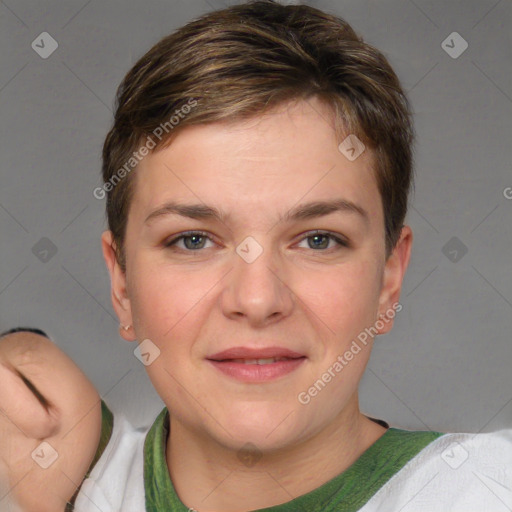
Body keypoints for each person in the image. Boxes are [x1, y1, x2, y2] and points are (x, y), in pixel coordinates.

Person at [1, 1, 510, 511]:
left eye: (318, 240)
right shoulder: (57, 484)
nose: (258, 298)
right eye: (193, 240)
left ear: (388, 279)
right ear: (121, 283)